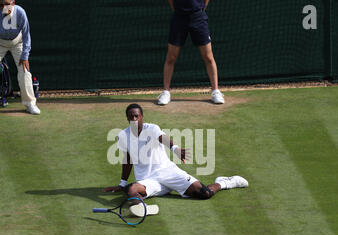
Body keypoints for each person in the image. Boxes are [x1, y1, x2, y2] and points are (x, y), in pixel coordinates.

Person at [103, 104, 248, 201]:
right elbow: (127, 159)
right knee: (131, 190)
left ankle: (224, 183)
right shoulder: (123, 136)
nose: (134, 119)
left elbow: (163, 139)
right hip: (148, 180)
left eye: (136, 116)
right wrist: (122, 184)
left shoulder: (152, 128)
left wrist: (176, 149)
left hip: (168, 172)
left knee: (205, 193)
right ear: (127, 118)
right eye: (131, 116)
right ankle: (142, 208)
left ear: (142, 116)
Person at [157, 0, 225, 106]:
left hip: (198, 17)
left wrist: (200, 10)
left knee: (208, 57)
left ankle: (215, 91)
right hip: (179, 18)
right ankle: (166, 92)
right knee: (171, 57)